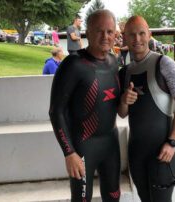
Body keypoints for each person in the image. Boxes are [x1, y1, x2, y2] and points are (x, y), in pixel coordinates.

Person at [49, 9, 121, 202]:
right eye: (99, 31)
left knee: (114, 196)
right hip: (83, 146)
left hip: (110, 144)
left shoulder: (114, 62)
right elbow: (57, 111)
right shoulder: (73, 65)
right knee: (82, 199)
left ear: (115, 34)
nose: (105, 36)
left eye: (109, 31)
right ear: (87, 33)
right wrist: (69, 152)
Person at [118, 15, 175, 202]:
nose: (137, 39)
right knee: (144, 198)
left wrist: (172, 142)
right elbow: (122, 113)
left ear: (149, 34)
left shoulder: (164, 64)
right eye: (131, 35)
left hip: (162, 150)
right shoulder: (125, 72)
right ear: (125, 38)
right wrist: (124, 100)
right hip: (136, 150)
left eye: (142, 33)